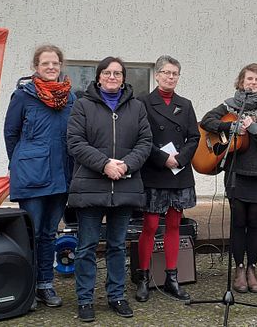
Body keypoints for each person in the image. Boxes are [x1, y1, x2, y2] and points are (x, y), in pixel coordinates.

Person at [67, 56, 152, 322]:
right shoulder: (82, 105)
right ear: (99, 76)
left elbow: (145, 141)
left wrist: (126, 166)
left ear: (124, 78)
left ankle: (117, 296)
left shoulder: (136, 107)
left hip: (125, 186)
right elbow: (75, 142)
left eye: (117, 73)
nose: (112, 77)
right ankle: (85, 299)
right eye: (107, 73)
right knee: (87, 246)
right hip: (91, 186)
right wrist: (104, 164)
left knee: (117, 246)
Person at [4, 44, 76, 308]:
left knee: (49, 234)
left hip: (61, 175)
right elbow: (11, 134)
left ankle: (45, 284)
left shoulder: (70, 98)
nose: (51, 67)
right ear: (36, 66)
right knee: (30, 233)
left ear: (60, 66)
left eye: (55, 63)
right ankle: (26, 287)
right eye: (45, 63)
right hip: (32, 176)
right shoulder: (23, 95)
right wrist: (23, 161)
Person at [200, 63, 257, 294]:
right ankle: (238, 268)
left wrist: (256, 131)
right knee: (238, 222)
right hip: (235, 172)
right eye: (249, 79)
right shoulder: (230, 104)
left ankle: (252, 269)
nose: (253, 83)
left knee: (254, 223)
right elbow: (207, 121)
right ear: (241, 82)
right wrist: (230, 126)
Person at [136, 55, 200, 302]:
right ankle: (143, 277)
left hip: (179, 172)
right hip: (155, 171)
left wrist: (180, 159)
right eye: (167, 72)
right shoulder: (142, 102)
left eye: (175, 73)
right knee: (150, 226)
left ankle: (171, 277)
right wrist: (163, 159)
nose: (171, 77)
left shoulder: (185, 104)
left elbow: (194, 137)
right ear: (157, 74)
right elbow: (141, 138)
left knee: (174, 225)